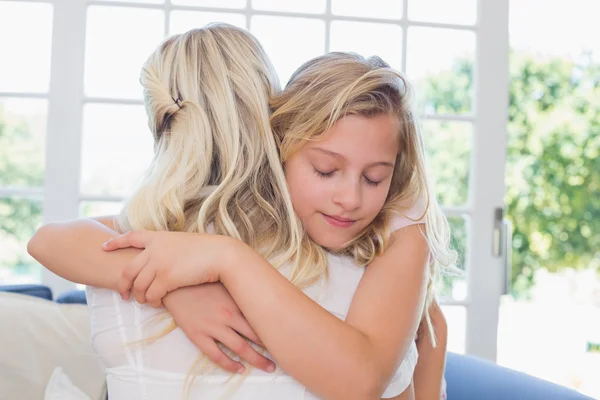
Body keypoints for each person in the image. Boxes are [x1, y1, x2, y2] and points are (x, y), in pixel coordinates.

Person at [28, 24, 452, 400]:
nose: (350, 197)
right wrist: (179, 286)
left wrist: (225, 259)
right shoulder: (176, 243)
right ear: (281, 144)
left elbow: (367, 378)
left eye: (375, 178)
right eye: (325, 170)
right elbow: (49, 240)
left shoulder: (396, 236)